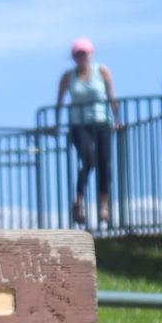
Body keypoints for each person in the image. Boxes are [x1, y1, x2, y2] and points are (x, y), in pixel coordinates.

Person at [53, 39, 117, 229]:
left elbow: (112, 97)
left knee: (104, 162)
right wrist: (56, 125)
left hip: (101, 123)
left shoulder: (102, 71)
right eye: (78, 54)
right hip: (79, 126)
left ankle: (104, 205)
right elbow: (60, 102)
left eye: (84, 53)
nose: (81, 57)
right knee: (89, 161)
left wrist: (117, 119)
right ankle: (79, 202)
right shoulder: (68, 76)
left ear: (91, 54)